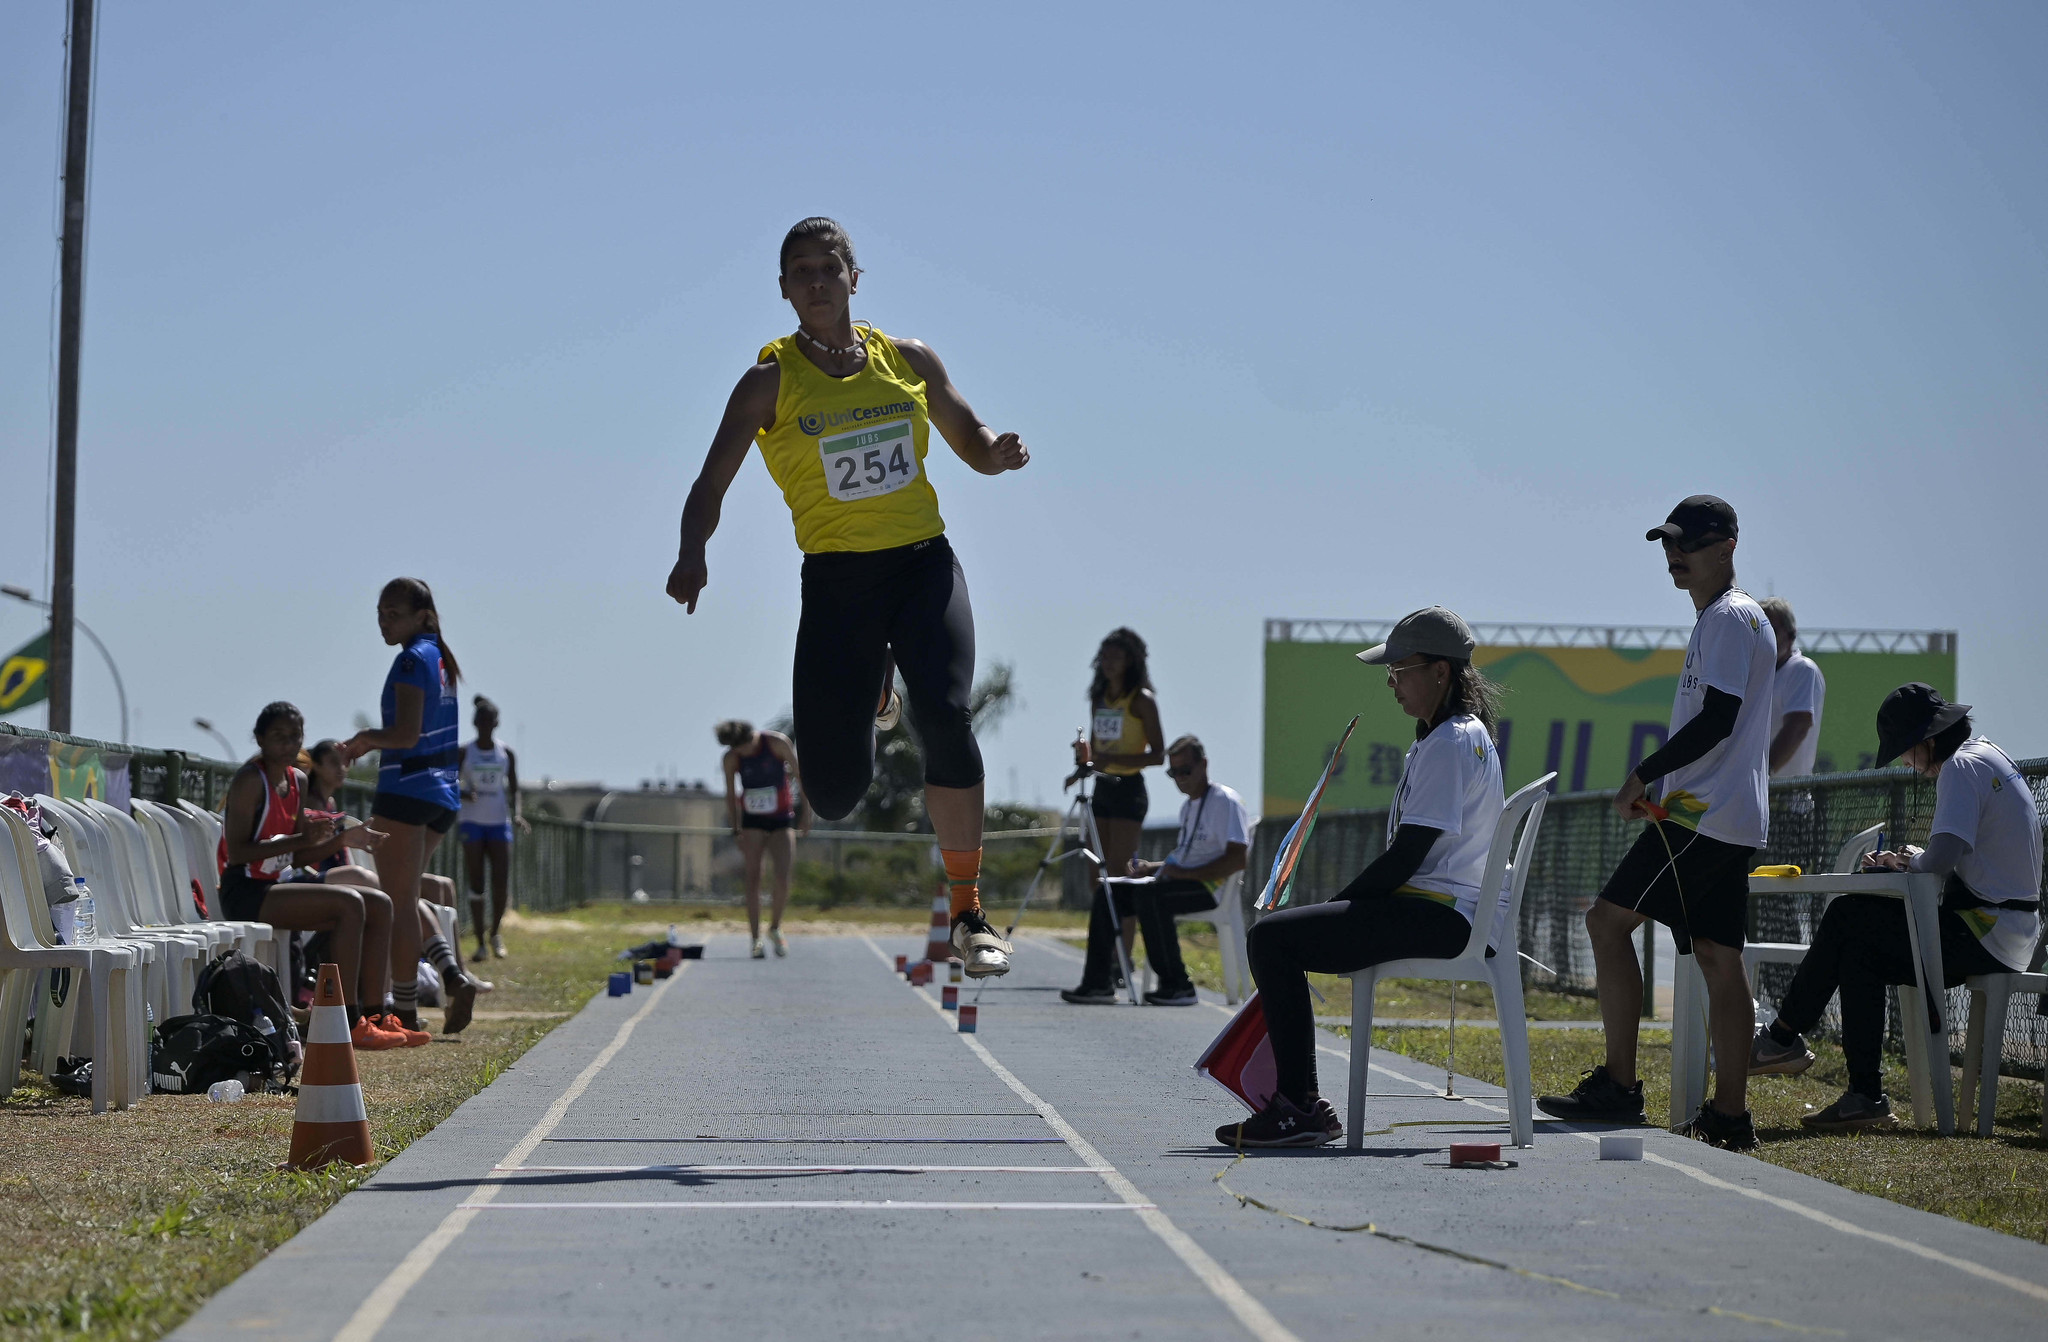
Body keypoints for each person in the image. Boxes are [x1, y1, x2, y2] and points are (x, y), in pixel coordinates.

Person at [666, 216, 1029, 977]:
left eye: (829, 267)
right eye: (800, 271)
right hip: (837, 586)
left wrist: (995, 452)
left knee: (948, 713)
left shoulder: (908, 360)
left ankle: (968, 911)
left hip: (922, 566)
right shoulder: (768, 383)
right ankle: (874, 688)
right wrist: (692, 552)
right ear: (784, 290)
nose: (817, 281)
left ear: (854, 277)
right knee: (832, 793)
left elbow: (967, 434)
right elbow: (710, 481)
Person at [1216, 607, 1507, 1148]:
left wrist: (1341, 903)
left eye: (1401, 671)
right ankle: (1299, 1102)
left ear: (1440, 672)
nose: (1392, 683)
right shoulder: (1456, 734)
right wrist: (1341, 910)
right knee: (1283, 936)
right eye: (1388, 673)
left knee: (1272, 938)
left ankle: (1297, 1106)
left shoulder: (1448, 743)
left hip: (1440, 915)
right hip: (1441, 909)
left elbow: (1406, 857)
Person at [1539, 496, 1776, 1150]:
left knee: (1605, 922)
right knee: (1719, 960)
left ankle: (1619, 1086)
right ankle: (1729, 1117)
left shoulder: (1728, 618)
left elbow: (1719, 718)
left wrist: (1646, 773)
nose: (1675, 555)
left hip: (1700, 819)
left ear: (1726, 547)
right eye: (1668, 543)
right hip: (1729, 817)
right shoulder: (1735, 618)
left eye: (1688, 543)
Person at [1750, 686, 2042, 1131]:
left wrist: (1905, 860)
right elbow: (1960, 856)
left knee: (1848, 916)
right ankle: (1860, 1093)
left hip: (1986, 930)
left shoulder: (1960, 767)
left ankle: (1784, 1039)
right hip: (2009, 928)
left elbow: (1940, 862)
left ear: (1926, 741)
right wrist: (1915, 858)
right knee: (1857, 949)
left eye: (1904, 751)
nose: (1906, 763)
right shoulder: (1986, 754)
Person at [217, 703, 407, 1051]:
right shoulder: (250, 780)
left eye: (295, 736)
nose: (288, 744)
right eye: (278, 736)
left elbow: (301, 855)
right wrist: (301, 839)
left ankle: (376, 1017)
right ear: (259, 738)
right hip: (245, 891)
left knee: (379, 903)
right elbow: (239, 853)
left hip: (278, 885)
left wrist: (342, 839)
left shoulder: (298, 779)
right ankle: (345, 1022)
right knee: (349, 904)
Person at [341, 577, 467, 1035]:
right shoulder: (439, 659)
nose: (384, 622)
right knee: (406, 897)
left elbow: (406, 735)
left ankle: (406, 1013)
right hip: (441, 795)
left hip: (408, 791)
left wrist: (363, 740)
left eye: (393, 614)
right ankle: (450, 975)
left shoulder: (412, 660)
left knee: (395, 904)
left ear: (422, 616)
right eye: (380, 613)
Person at [304, 738, 489, 1025]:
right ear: (315, 765)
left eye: (345, 762)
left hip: (337, 880)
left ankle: (451, 974)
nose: (342, 768)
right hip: (309, 878)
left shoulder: (330, 802)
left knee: (407, 893)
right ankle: (440, 979)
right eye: (332, 762)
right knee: (381, 885)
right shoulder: (306, 800)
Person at [1062, 735, 1249, 1008]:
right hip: (1178, 881)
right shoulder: (1188, 807)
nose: (1180, 779)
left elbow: (1237, 860)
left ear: (1204, 765)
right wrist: (1154, 868)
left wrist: (1182, 875)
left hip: (1209, 888)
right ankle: (1098, 983)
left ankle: (1178, 985)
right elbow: (1185, 859)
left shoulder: (1225, 801)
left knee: (1150, 896)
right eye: (1174, 773)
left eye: (1186, 771)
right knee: (1108, 892)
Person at [1071, 628, 1165, 969]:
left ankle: (1121, 959)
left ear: (1131, 661)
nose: (1108, 663)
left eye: (1116, 657)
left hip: (1129, 790)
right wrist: (1083, 763)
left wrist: (1115, 762)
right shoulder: (1098, 698)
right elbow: (1097, 750)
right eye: (1104, 656)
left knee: (1119, 877)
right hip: (1102, 789)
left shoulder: (1141, 699)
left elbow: (1159, 755)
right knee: (1096, 876)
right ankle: (1103, 955)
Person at [716, 719, 812, 959]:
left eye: (746, 747)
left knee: (782, 874)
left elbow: (801, 776)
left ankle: (775, 927)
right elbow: (730, 795)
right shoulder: (731, 759)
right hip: (752, 822)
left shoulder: (777, 743)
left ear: (753, 736)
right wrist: (736, 828)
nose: (744, 753)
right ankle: (755, 937)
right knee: (753, 878)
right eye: (737, 749)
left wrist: (807, 813)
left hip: (782, 819)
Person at [459, 696, 528, 963]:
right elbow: (446, 780)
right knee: (476, 881)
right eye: (482, 722)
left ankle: (495, 933)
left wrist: (518, 814)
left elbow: (514, 788)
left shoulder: (506, 753)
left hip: (499, 822)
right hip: (472, 822)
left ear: (496, 724)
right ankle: (479, 943)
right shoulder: (464, 752)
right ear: (475, 723)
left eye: (490, 722)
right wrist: (463, 793)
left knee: (501, 881)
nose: (486, 726)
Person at [1758, 597, 1825, 778]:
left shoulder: (1801, 669)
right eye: (1758, 631)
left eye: (1771, 630)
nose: (1763, 637)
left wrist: (1763, 775)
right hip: (1758, 796)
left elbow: (1798, 725)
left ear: (1791, 635)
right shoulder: (1757, 676)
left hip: (1789, 797)